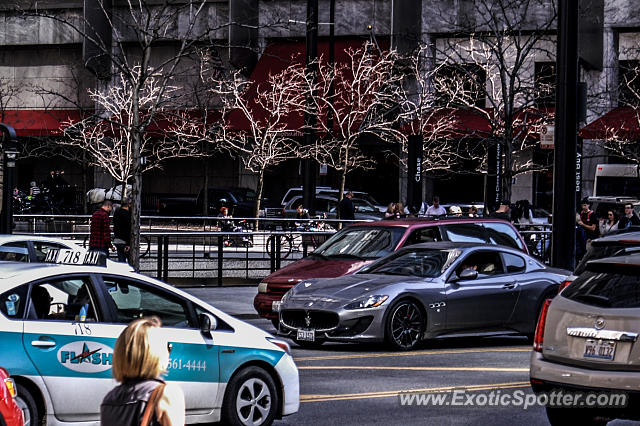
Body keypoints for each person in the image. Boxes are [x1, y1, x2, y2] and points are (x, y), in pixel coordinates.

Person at [101, 317, 185, 426]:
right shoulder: (167, 393)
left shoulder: (109, 399)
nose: (169, 350)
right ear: (156, 353)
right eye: (168, 346)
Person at [113, 197, 131, 264]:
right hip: (125, 241)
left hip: (117, 239)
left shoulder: (117, 212)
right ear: (128, 204)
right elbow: (127, 229)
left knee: (121, 261)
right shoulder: (127, 214)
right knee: (129, 263)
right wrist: (128, 243)